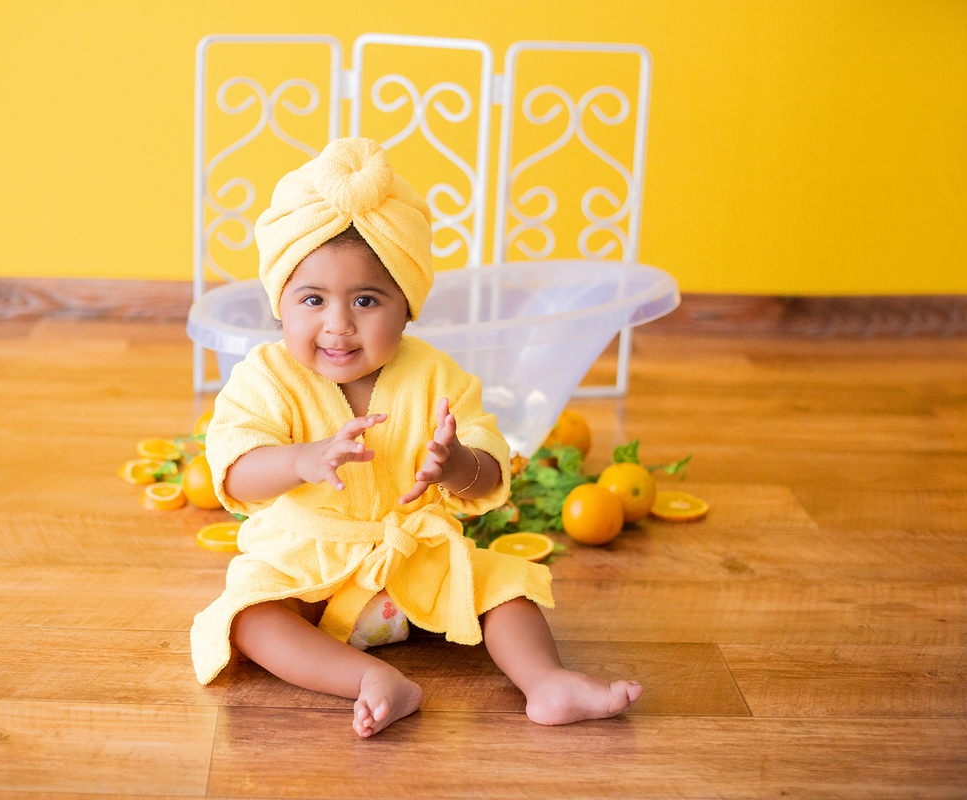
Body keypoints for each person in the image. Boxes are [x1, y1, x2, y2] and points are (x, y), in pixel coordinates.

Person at [190, 138, 641, 737]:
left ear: (407, 307)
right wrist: (301, 459)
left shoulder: (435, 376)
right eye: (313, 299)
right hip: (308, 570)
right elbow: (234, 470)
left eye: (366, 300)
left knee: (506, 585)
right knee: (250, 617)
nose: (338, 324)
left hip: (414, 561)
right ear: (281, 305)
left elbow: (490, 470)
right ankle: (371, 680)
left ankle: (547, 681)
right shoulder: (266, 378)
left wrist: (457, 465)